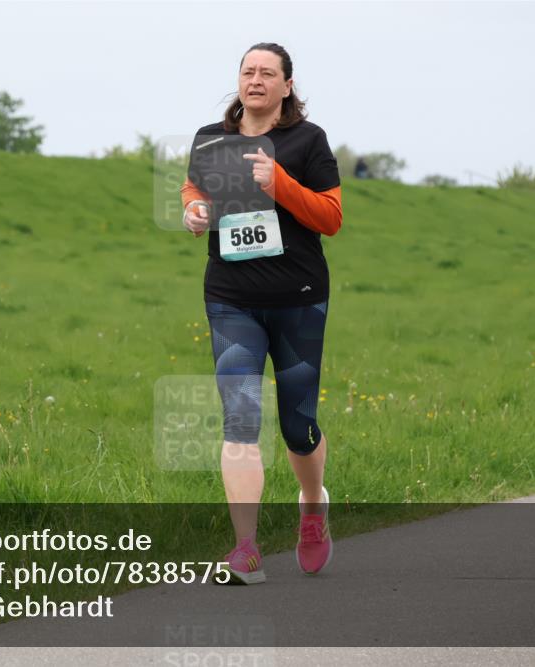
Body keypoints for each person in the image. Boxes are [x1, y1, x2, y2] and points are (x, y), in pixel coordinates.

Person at [179, 42, 343, 584]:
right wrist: (194, 211)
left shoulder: (307, 141)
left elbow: (331, 217)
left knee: (298, 424)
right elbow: (194, 189)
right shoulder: (212, 138)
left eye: (267, 73)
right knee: (240, 419)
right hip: (231, 297)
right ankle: (246, 549)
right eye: (247, 71)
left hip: (297, 296)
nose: (255, 80)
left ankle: (313, 504)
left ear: (287, 85)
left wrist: (281, 185)